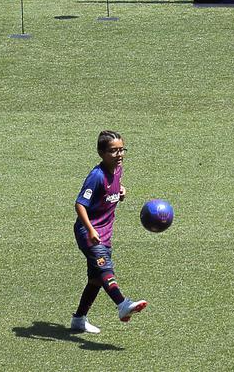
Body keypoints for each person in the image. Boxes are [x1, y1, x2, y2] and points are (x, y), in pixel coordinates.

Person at [70, 130, 148, 334]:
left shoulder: (117, 169)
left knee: (96, 279)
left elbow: (110, 190)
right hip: (90, 233)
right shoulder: (96, 176)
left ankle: (79, 319)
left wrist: (120, 190)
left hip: (105, 233)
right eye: (113, 151)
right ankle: (122, 304)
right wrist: (90, 230)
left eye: (122, 150)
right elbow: (80, 204)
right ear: (101, 153)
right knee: (106, 269)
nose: (119, 154)